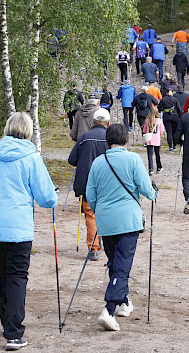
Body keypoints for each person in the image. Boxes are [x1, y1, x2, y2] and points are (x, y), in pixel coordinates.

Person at [0, 112, 58, 351]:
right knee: (17, 276)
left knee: (1, 273)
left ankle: (8, 323)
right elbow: (46, 196)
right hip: (18, 227)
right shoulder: (31, 158)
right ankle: (14, 333)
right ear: (28, 131)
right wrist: (53, 198)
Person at [86, 124, 157, 332]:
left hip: (106, 221)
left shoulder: (98, 162)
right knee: (122, 265)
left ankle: (124, 302)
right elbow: (146, 188)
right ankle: (108, 309)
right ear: (126, 139)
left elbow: (91, 194)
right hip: (128, 220)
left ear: (107, 140)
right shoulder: (133, 159)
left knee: (115, 263)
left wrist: (100, 211)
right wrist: (153, 193)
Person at [68, 108, 110, 262]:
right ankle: (107, 242)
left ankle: (93, 248)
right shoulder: (110, 138)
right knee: (107, 213)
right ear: (108, 123)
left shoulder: (84, 137)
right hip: (107, 183)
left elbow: (72, 159)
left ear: (93, 122)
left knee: (91, 215)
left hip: (86, 183)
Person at [159, 88, 182, 152]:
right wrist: (180, 116)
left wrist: (163, 110)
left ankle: (170, 146)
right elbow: (179, 109)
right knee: (174, 131)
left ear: (166, 93)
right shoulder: (175, 99)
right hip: (175, 116)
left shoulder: (163, 99)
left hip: (166, 117)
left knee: (169, 132)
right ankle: (174, 145)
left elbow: (159, 108)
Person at [142, 106, 164, 174]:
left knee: (150, 154)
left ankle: (151, 168)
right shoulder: (159, 121)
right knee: (157, 154)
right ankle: (159, 167)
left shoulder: (147, 120)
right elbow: (162, 131)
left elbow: (144, 131)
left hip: (149, 139)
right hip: (157, 139)